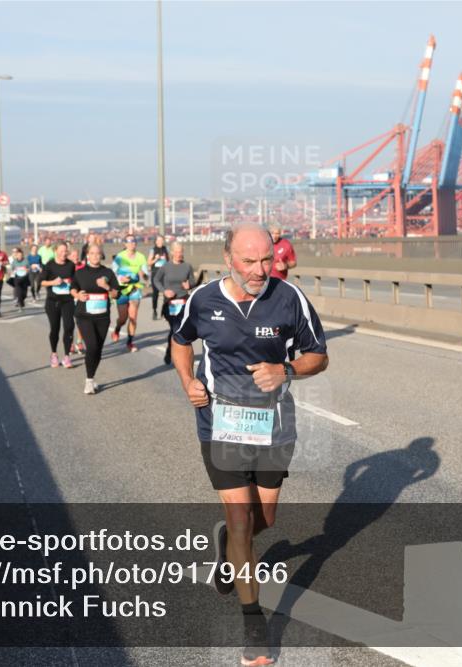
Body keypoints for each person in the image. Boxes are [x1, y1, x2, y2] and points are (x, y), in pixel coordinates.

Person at [171, 222, 328, 667]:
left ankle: (226, 545)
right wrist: (187, 381)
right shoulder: (202, 300)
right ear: (228, 259)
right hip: (219, 422)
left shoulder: (289, 297)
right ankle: (253, 624)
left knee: (266, 518)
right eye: (250, 261)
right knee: (241, 521)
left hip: (273, 424)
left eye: (267, 259)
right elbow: (181, 342)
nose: (260, 269)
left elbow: (320, 354)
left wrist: (288, 371)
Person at [70, 244, 120, 394]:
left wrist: (106, 287)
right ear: (87, 255)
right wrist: (78, 295)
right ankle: (89, 381)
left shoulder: (108, 272)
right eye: (92, 253)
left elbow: (116, 294)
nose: (95, 256)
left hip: (103, 317)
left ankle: (92, 377)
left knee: (97, 349)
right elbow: (72, 288)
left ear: (102, 255)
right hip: (84, 315)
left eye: (98, 253)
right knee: (91, 346)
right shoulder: (80, 272)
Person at [152, 241, 194, 365]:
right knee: (175, 329)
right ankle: (170, 351)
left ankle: (180, 354)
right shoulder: (165, 266)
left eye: (181, 252)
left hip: (184, 300)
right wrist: (164, 291)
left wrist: (189, 284)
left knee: (183, 329)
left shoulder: (187, 266)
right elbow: (156, 279)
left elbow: (192, 280)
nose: (179, 254)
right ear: (172, 253)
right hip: (170, 303)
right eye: (176, 252)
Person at [40, 242, 77, 369]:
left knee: (69, 327)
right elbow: (42, 282)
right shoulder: (49, 265)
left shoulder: (71, 265)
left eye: (65, 251)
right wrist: (53, 282)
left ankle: (67, 357)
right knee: (54, 329)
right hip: (53, 302)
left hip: (68, 301)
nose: (63, 254)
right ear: (55, 251)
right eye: (61, 251)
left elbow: (75, 281)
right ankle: (54, 354)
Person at [111, 235, 148, 353]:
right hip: (122, 290)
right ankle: (117, 329)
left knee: (133, 318)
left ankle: (130, 342)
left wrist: (143, 274)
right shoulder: (119, 257)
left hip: (135, 290)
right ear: (125, 244)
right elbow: (112, 274)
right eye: (129, 241)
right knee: (123, 318)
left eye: (134, 241)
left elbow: (147, 277)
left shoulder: (141, 257)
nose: (132, 243)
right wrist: (121, 278)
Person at [148, 235, 169, 320]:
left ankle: (163, 312)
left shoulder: (166, 249)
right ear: (156, 241)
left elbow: (169, 261)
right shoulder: (153, 250)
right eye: (159, 240)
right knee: (155, 293)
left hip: (165, 274)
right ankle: (154, 310)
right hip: (155, 274)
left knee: (165, 293)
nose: (160, 242)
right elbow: (149, 263)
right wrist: (155, 259)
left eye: (162, 240)